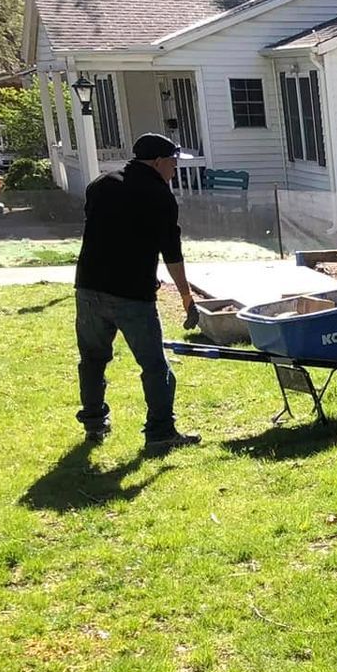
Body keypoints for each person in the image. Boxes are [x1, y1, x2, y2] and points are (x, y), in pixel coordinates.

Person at [74, 133, 200, 451]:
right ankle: (160, 432)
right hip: (132, 294)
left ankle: (94, 424)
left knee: (92, 360)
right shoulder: (159, 195)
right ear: (157, 162)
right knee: (155, 365)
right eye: (173, 162)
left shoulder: (100, 185)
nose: (175, 168)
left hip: (88, 287)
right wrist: (186, 296)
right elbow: (172, 253)